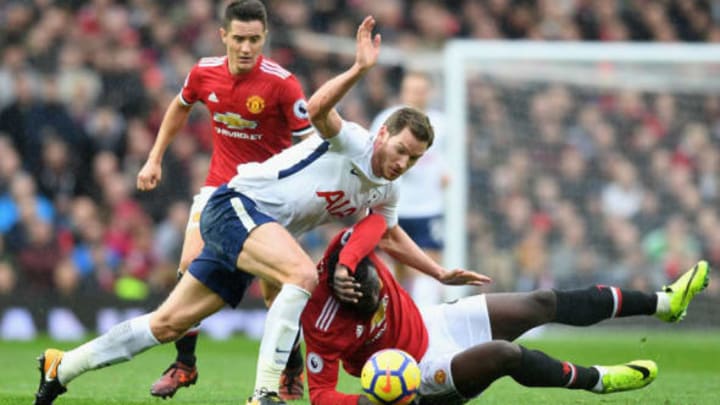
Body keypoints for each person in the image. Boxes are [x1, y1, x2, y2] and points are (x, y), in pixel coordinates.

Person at [33, 15, 489, 405]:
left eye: (414, 160)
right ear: (385, 133)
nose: (403, 164)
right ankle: (265, 393)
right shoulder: (354, 140)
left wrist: (438, 272)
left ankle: (62, 367)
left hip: (255, 228)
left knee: (168, 323)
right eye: (402, 151)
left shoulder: (387, 190)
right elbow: (315, 110)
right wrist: (357, 69)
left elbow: (389, 236)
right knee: (302, 277)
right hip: (235, 204)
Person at [301, 213, 711, 404]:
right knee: (504, 355)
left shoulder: (349, 257)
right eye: (368, 308)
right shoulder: (322, 325)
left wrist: (350, 258)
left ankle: (665, 303)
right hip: (419, 373)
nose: (378, 305)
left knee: (542, 302)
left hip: (435, 322)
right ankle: (598, 381)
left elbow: (374, 222)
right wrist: (367, 402)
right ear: (344, 302)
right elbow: (320, 395)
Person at [135, 0, 315, 400]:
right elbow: (179, 107)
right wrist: (154, 157)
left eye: (254, 39)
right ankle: (185, 365)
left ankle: (291, 369)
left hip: (269, 197)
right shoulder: (203, 72)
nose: (246, 47)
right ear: (223, 37)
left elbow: (310, 145)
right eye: (239, 39)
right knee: (187, 267)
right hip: (220, 189)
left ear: (264, 37)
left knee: (277, 291)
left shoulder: (283, 84)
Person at [369, 71, 450, 306]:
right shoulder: (386, 119)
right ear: (403, 93)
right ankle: (389, 318)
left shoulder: (442, 125)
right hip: (392, 206)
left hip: (429, 207)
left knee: (429, 264)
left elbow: (448, 159)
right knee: (390, 265)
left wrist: (447, 173)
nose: (416, 96)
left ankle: (425, 322)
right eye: (412, 90)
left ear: (429, 94)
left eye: (421, 91)